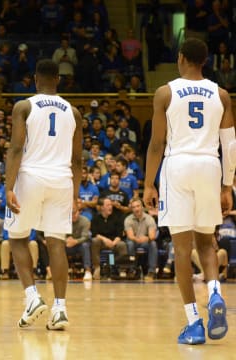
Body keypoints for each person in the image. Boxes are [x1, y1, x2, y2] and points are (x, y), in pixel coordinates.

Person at [143, 38, 235, 345]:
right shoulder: (221, 94)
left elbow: (156, 143)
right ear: (206, 61)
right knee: (207, 244)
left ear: (181, 58)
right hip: (210, 166)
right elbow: (230, 145)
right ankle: (214, 293)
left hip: (177, 166)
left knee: (182, 250)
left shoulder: (165, 92)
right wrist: (227, 185)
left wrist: (147, 183)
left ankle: (194, 323)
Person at [4, 59, 82, 331]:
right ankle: (60, 309)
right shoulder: (74, 112)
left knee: (17, 239)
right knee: (56, 243)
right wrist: (75, 195)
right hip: (62, 180)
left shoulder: (24, 106)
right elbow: (77, 160)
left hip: (31, 177)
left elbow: (15, 149)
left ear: (35, 79)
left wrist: (8, 186)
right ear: (58, 79)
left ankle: (32, 297)